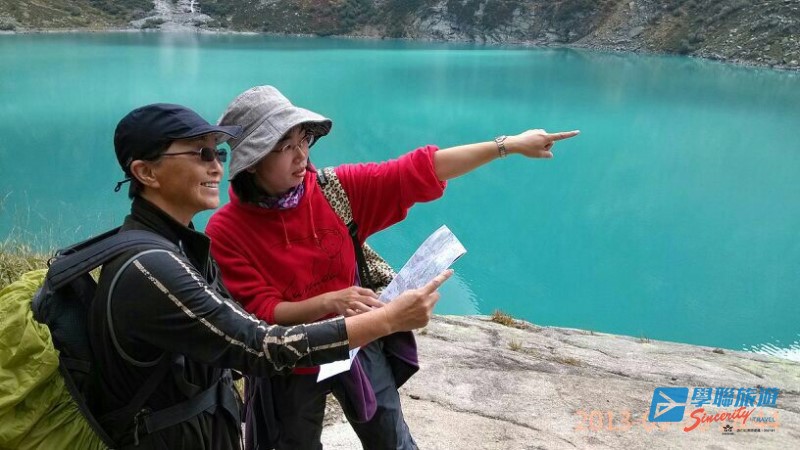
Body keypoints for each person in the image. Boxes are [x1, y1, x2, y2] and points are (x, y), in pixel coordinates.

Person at [205, 85, 580, 450]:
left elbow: (417, 171)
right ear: (253, 161)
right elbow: (263, 313)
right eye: (285, 147)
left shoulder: (334, 190)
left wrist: (508, 145)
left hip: (359, 340)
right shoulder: (227, 231)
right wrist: (331, 302)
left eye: (303, 140)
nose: (301, 155)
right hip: (290, 362)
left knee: (391, 438)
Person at [84, 103, 451, 449]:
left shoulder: (177, 245)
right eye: (201, 154)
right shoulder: (154, 267)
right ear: (146, 173)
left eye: (218, 153)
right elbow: (261, 344)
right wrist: (387, 320)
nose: (217, 167)